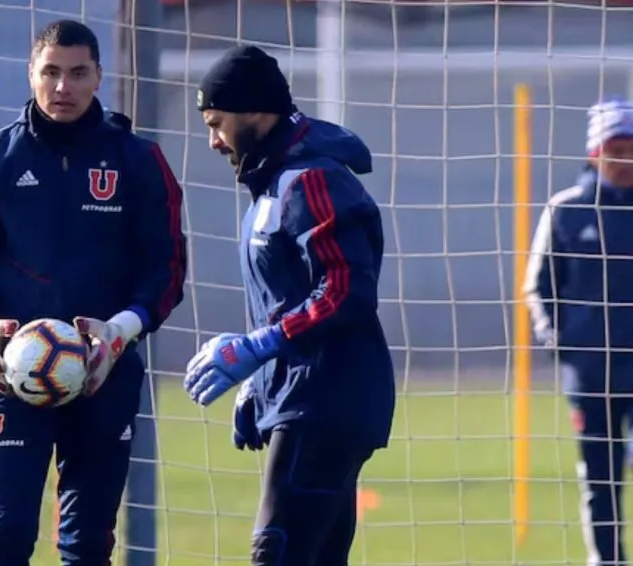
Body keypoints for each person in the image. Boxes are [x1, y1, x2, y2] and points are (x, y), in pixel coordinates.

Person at [0, 19, 188, 566]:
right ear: (30, 74)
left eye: (77, 73)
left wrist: (118, 333)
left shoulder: (139, 162)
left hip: (105, 372)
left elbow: (165, 271)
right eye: (50, 72)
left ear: (99, 76)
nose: (62, 87)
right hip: (13, 373)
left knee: (87, 548)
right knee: (5, 540)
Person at [181, 45, 396, 566]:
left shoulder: (313, 180)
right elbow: (289, 300)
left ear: (256, 110)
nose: (212, 140)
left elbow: (346, 290)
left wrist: (260, 346)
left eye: (217, 122)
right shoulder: (272, 183)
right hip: (303, 397)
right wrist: (261, 378)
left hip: (327, 401)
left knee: (275, 552)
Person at [524, 97, 633, 566]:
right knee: (600, 478)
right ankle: (606, 560)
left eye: (632, 148)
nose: (625, 159)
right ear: (595, 152)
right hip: (590, 376)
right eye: (616, 148)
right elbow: (538, 285)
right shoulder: (566, 210)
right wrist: (560, 342)